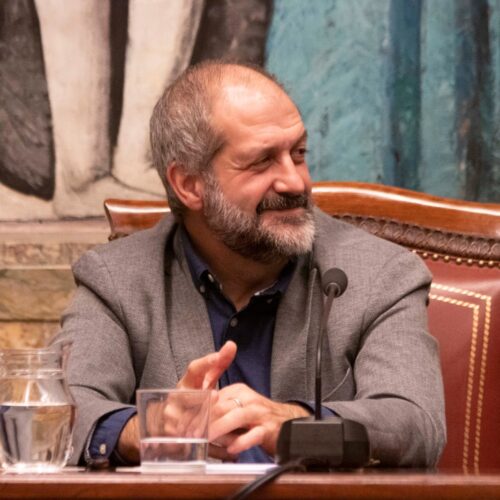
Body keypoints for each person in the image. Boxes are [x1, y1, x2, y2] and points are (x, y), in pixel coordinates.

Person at [54, 61, 445, 467]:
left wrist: (296, 424)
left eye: (298, 154)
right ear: (189, 184)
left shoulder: (380, 274)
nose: (295, 182)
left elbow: (414, 421)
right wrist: (153, 428)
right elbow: (60, 410)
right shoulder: (116, 280)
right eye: (262, 162)